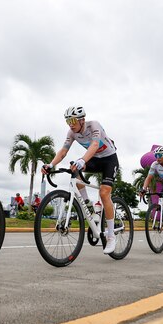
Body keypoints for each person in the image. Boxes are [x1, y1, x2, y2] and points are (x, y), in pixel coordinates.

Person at [41, 106, 120, 255]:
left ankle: (110, 236)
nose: (70, 124)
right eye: (67, 121)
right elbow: (63, 151)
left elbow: (95, 144)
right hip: (94, 159)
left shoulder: (93, 125)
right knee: (73, 169)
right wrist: (50, 164)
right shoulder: (71, 133)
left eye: (72, 120)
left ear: (82, 120)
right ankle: (88, 206)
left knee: (104, 193)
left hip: (109, 160)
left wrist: (83, 160)